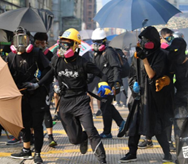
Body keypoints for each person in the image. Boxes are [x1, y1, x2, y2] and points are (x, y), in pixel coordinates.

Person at [38, 28, 107, 163]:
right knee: (74, 139)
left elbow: (101, 74)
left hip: (81, 100)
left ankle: (102, 160)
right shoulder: (56, 60)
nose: (62, 48)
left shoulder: (83, 62)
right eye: (61, 44)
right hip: (65, 103)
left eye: (66, 44)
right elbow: (50, 74)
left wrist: (104, 84)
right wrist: (37, 85)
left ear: (75, 45)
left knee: (91, 131)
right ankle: (83, 138)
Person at [119, 26, 173, 163]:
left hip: (155, 98)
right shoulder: (137, 56)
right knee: (134, 126)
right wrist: (133, 86)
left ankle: (167, 154)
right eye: (143, 40)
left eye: (148, 40)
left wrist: (144, 60)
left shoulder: (161, 55)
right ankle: (132, 153)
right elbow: (131, 74)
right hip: (139, 98)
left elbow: (152, 75)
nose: (144, 43)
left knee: (158, 127)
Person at [7, 27, 51, 164]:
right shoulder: (11, 56)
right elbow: (6, 76)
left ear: (29, 40)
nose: (20, 42)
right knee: (24, 124)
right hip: (21, 95)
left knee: (37, 124)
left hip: (36, 94)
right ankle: (26, 150)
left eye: (23, 39)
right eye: (17, 39)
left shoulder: (37, 53)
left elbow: (49, 70)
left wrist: (38, 84)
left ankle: (37, 152)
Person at [91, 28, 125, 138]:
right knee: (106, 106)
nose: (96, 44)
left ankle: (107, 132)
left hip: (110, 83)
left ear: (104, 41)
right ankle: (122, 123)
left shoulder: (109, 52)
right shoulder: (96, 54)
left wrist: (116, 83)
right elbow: (94, 70)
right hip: (102, 83)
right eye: (94, 42)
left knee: (105, 106)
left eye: (98, 42)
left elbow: (116, 68)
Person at [33, 32, 57, 147]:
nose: (40, 45)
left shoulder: (50, 55)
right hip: (33, 87)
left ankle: (50, 136)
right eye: (37, 43)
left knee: (46, 110)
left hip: (46, 86)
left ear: (46, 43)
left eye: (42, 43)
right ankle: (33, 134)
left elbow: (51, 72)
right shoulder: (32, 54)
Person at [168, 38, 188, 164]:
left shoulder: (173, 63)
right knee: (182, 133)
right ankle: (184, 159)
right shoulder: (173, 63)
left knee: (181, 133)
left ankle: (183, 159)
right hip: (180, 102)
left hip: (180, 102)